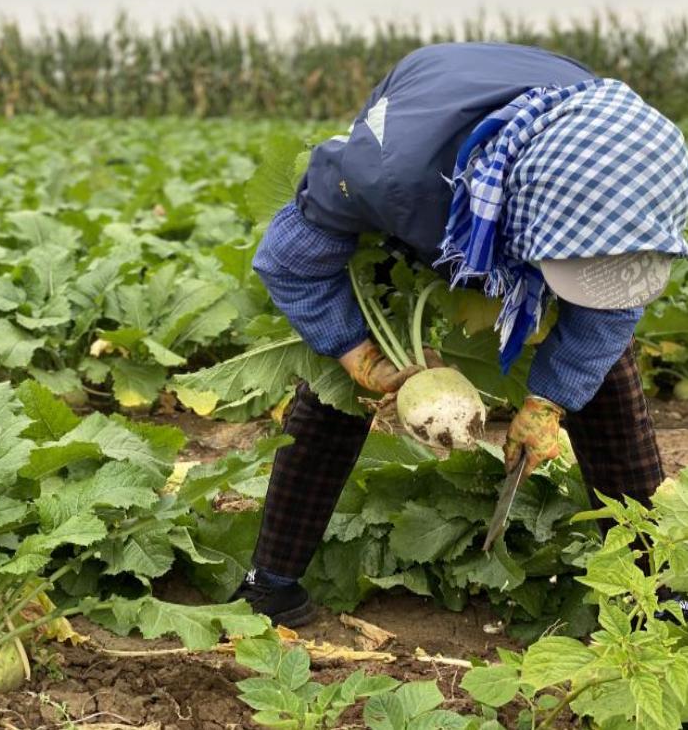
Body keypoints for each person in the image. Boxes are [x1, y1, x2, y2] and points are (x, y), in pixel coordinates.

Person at [232, 42, 688, 628]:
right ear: (527, 217)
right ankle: (269, 582)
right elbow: (290, 263)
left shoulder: (639, 168)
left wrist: (550, 401)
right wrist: (358, 354)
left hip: (552, 141)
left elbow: (611, 306)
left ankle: (653, 586)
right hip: (429, 166)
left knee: (604, 372)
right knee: (337, 392)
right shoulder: (389, 179)